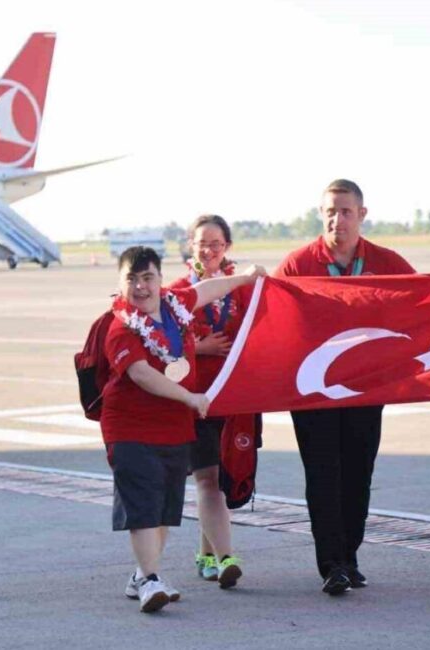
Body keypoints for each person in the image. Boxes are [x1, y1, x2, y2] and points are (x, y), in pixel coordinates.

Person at [101, 245, 263, 613]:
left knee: (162, 510)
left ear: (160, 280)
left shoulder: (175, 304)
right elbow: (142, 375)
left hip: (174, 428)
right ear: (120, 283)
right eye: (132, 279)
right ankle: (150, 580)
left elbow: (207, 290)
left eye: (148, 278)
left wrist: (248, 277)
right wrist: (190, 397)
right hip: (130, 428)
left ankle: (141, 574)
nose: (141, 287)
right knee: (142, 505)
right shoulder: (120, 327)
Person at [274, 179, 415, 596]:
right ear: (322, 215)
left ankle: (351, 557)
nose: (339, 219)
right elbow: (271, 317)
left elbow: (427, 297)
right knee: (322, 476)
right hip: (312, 391)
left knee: (358, 474)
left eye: (347, 211)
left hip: (364, 390)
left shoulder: (386, 261)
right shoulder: (299, 263)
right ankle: (330, 564)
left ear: (362, 215)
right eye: (331, 211)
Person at [168, 214, 252, 589]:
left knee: (220, 480)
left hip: (234, 398)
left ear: (227, 248)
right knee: (207, 478)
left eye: (216, 244)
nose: (209, 250)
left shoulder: (242, 290)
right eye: (202, 243)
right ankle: (226, 557)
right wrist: (198, 347)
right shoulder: (176, 292)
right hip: (194, 399)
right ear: (190, 245)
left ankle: (205, 554)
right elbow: (160, 347)